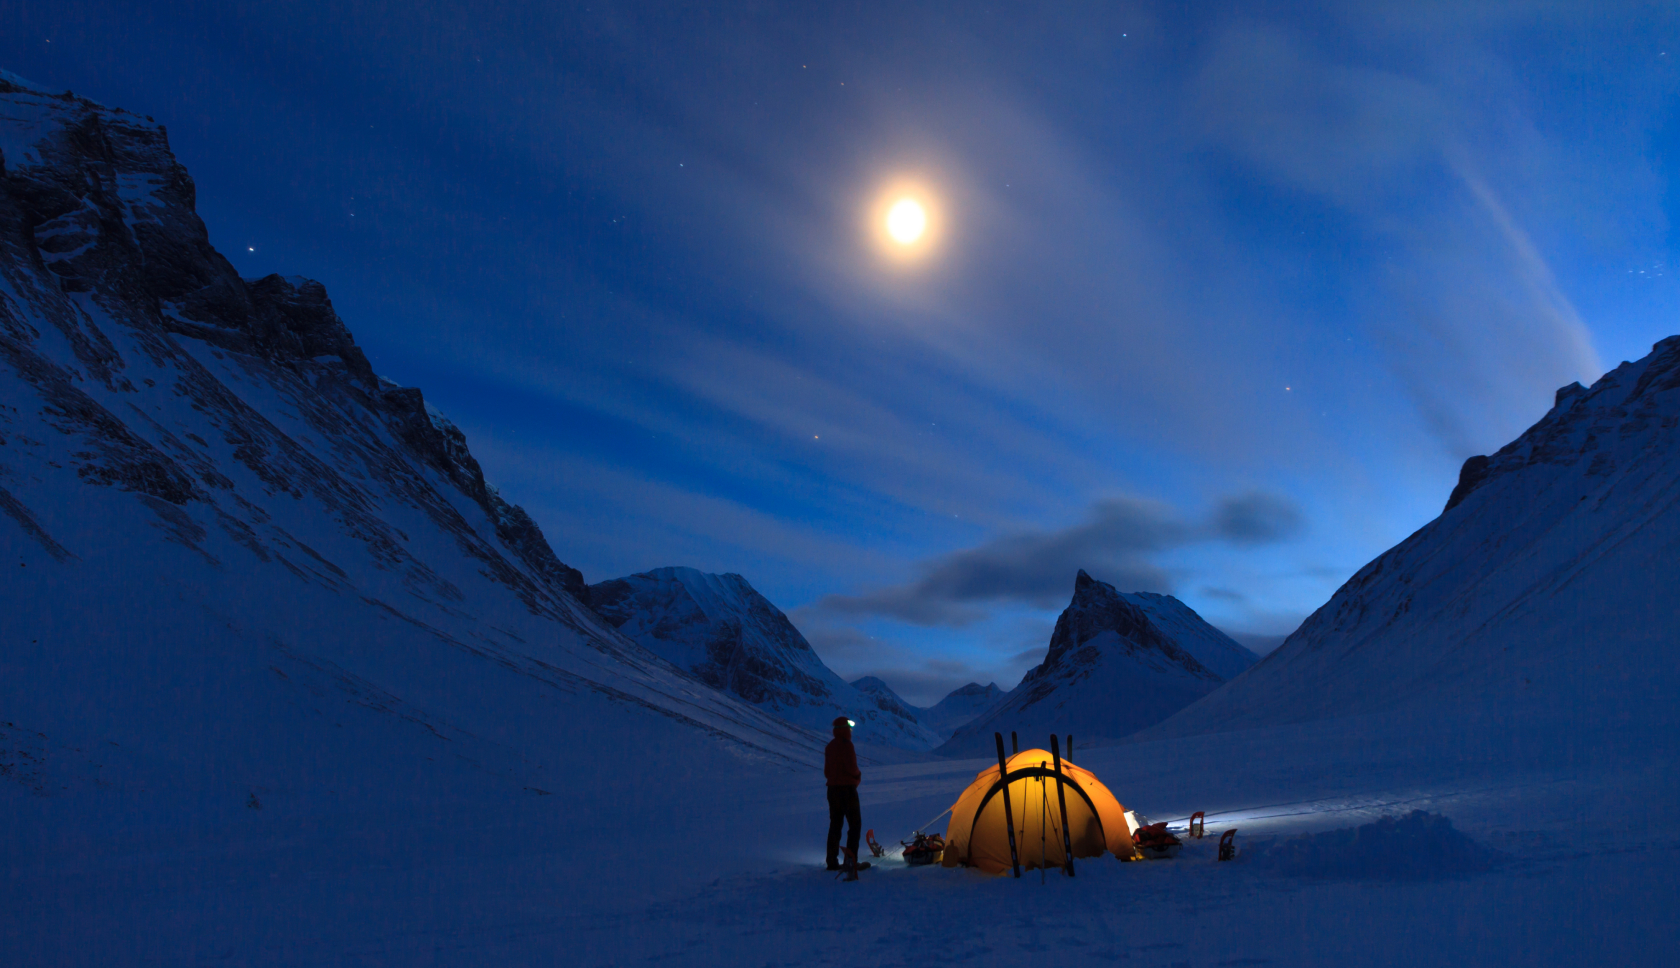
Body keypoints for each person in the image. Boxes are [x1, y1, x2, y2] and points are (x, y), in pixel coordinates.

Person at [824, 715, 866, 873]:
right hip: (847, 790)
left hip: (832, 790)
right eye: (849, 728)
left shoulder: (830, 746)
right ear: (845, 729)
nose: (850, 730)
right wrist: (857, 776)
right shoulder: (847, 745)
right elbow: (852, 767)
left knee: (835, 824)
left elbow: (827, 772)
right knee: (855, 825)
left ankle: (831, 861)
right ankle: (851, 861)